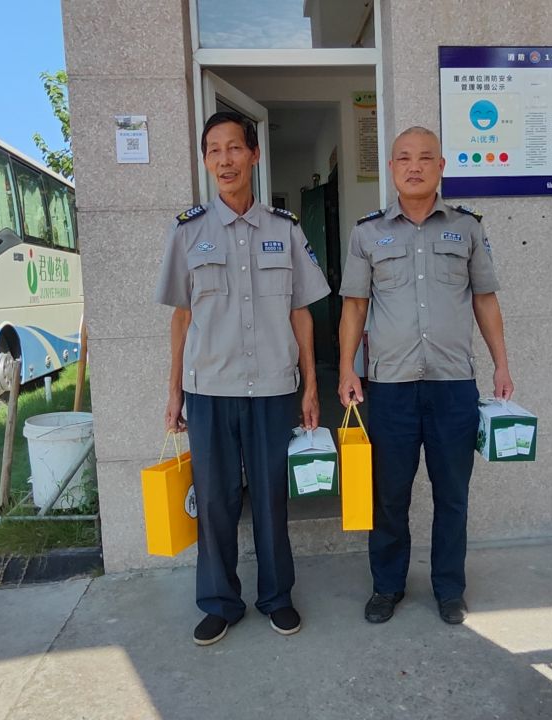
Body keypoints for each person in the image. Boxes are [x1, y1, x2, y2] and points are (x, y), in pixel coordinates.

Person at [154, 111, 330, 646]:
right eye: (214, 150)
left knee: (272, 498)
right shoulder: (188, 232)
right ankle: (219, 602)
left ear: (254, 154)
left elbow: (302, 312)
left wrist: (310, 385)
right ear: (206, 161)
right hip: (209, 390)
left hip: (273, 389)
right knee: (215, 501)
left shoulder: (285, 229)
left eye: (234, 148)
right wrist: (173, 391)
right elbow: (181, 317)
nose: (225, 159)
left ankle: (277, 597)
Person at [338, 126, 514, 626]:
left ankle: (449, 589)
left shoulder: (467, 228)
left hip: (453, 386)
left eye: (424, 158)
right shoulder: (367, 233)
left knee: (452, 495)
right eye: (403, 158)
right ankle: (387, 586)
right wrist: (348, 368)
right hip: (389, 387)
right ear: (391, 168)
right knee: (389, 496)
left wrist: (502, 363)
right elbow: (355, 306)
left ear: (441, 167)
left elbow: (485, 299)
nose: (414, 166)